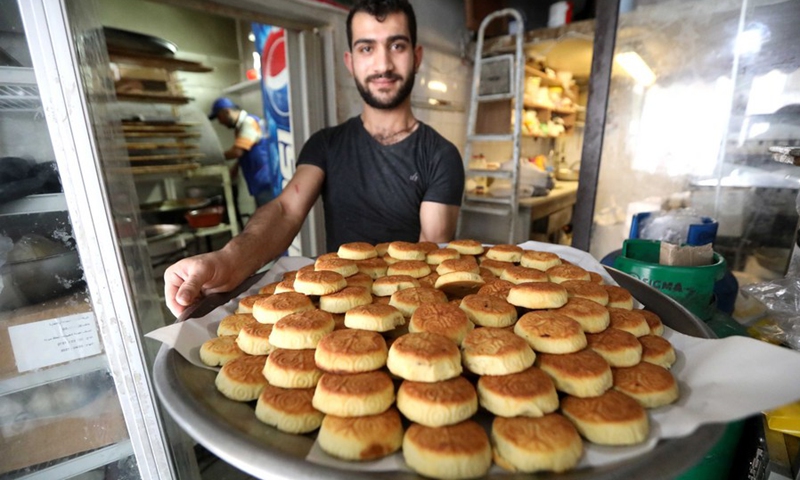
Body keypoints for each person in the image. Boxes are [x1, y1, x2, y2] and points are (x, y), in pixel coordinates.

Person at [165, 0, 464, 316]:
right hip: (333, 309)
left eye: (397, 45)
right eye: (367, 49)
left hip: (407, 312)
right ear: (349, 62)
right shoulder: (326, 144)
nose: (383, 64)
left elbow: (428, 253)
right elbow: (284, 211)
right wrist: (229, 259)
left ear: (416, 57)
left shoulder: (440, 155)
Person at [208, 97, 281, 206]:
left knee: (270, 217)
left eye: (219, 117)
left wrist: (214, 157)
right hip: (260, 180)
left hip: (265, 180)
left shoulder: (248, 122)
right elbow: (248, 149)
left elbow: (237, 151)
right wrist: (237, 166)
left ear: (226, 111)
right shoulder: (241, 126)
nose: (220, 122)